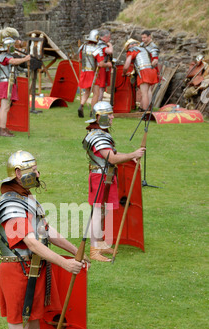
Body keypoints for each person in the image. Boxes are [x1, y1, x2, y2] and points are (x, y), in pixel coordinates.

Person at [0, 150, 86, 329]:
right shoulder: (8, 205)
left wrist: (74, 251)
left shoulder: (27, 199)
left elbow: (46, 232)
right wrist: (64, 263)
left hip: (33, 271)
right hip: (16, 273)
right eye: (34, 170)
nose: (39, 174)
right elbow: (30, 242)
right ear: (19, 174)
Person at [83, 101, 145, 262]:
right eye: (109, 114)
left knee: (104, 211)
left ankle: (100, 242)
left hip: (106, 176)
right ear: (99, 117)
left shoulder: (100, 133)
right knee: (97, 212)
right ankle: (94, 249)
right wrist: (132, 154)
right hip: (100, 177)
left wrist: (131, 156)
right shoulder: (96, 136)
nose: (112, 117)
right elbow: (111, 158)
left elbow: (111, 154)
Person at [0, 27, 31, 137]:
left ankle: (3, 128)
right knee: (4, 107)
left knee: (5, 107)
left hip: (7, 83)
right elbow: (13, 61)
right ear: (8, 46)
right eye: (13, 46)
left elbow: (16, 67)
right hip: (6, 83)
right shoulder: (3, 57)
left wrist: (26, 66)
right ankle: (2, 129)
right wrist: (24, 59)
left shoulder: (4, 56)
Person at [123, 38, 159, 111]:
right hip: (151, 70)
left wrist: (124, 72)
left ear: (129, 46)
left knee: (144, 93)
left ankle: (145, 112)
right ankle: (144, 108)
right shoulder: (144, 49)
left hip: (144, 71)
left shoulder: (132, 50)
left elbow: (127, 65)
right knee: (148, 91)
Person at [77, 29, 99, 118]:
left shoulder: (83, 47)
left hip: (84, 71)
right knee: (96, 93)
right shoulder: (96, 48)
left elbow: (79, 60)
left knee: (87, 91)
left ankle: (81, 105)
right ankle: (92, 111)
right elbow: (99, 62)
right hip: (92, 72)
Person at [92, 29, 113, 105]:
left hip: (103, 67)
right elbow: (109, 51)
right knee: (101, 86)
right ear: (104, 37)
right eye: (109, 37)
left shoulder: (100, 44)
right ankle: (98, 103)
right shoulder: (102, 45)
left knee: (102, 87)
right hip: (101, 68)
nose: (109, 39)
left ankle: (99, 102)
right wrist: (110, 45)